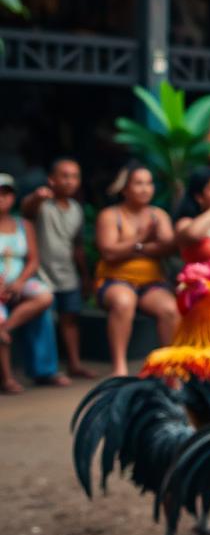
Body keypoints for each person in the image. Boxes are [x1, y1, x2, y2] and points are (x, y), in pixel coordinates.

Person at [94, 163, 178, 376]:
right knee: (124, 302)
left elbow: (168, 247)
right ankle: (119, 366)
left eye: (149, 183)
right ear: (125, 188)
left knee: (170, 309)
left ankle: (168, 367)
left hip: (151, 283)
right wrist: (141, 241)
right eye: (138, 183)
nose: (145, 189)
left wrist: (131, 247)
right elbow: (109, 253)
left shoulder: (158, 215)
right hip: (115, 280)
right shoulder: (110, 215)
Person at [20, 158, 94, 378]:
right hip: (42, 273)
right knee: (45, 321)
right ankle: (45, 370)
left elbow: (78, 247)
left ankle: (74, 364)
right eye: (65, 176)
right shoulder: (42, 204)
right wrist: (37, 196)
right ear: (52, 179)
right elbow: (26, 209)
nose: (70, 181)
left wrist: (85, 276)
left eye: (75, 176)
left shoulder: (77, 209)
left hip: (67, 273)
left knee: (70, 319)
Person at [0, 174, 64, 393]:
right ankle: (7, 378)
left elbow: (33, 260)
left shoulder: (23, 225)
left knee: (45, 298)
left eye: (6, 193)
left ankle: (7, 331)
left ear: (13, 197)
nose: (2, 198)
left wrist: (19, 283)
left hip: (19, 282)